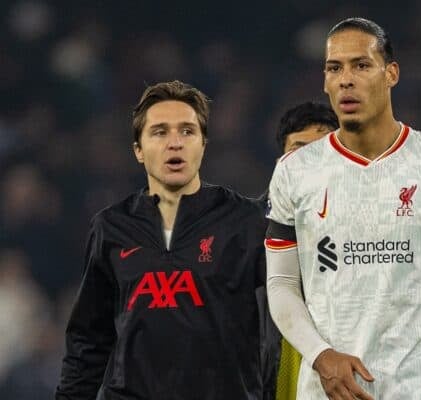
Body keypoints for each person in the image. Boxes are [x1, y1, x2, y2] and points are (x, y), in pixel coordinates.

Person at [265, 17, 421, 400]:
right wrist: (321, 355)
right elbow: (282, 284)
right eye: (334, 68)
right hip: (328, 392)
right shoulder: (294, 172)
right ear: (325, 81)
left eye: (361, 65)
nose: (346, 79)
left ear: (390, 73)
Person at [56, 80, 272, 399]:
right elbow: (88, 344)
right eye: (160, 132)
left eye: (187, 131)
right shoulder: (111, 228)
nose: (175, 143)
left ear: (203, 144)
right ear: (138, 151)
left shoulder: (245, 222)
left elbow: (283, 318)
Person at [265, 102, 339, 400]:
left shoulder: (375, 226)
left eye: (323, 149)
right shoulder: (243, 233)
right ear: (281, 160)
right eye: (299, 149)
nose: (310, 161)